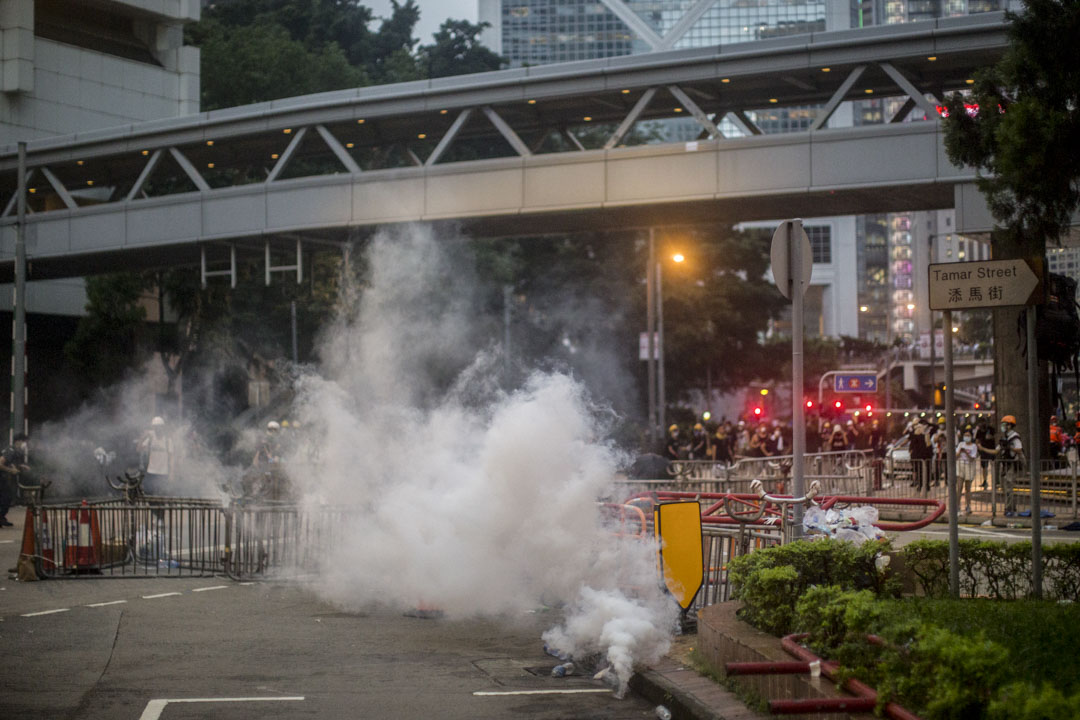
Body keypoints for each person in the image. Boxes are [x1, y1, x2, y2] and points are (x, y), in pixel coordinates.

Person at [136, 417, 173, 496]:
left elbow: (171, 458)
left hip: (163, 472)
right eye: (155, 427)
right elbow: (138, 449)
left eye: (159, 427)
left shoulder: (167, 440)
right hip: (151, 471)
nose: (157, 429)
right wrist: (142, 437)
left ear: (163, 428)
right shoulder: (151, 439)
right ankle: (153, 508)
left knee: (162, 495)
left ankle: (159, 508)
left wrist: (171, 473)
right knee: (149, 493)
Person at [0, 433, 31, 528]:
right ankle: (1, 517)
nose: (25, 444)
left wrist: (21, 466)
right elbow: (0, 463)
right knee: (7, 497)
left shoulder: (14, 451)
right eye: (24, 442)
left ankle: (1, 517)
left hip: (2, 478)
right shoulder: (11, 451)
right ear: (18, 441)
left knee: (5, 497)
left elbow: (11, 463)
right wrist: (11, 470)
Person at [957, 429, 979, 514]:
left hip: (969, 466)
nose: (966, 437)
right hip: (960, 465)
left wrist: (965, 452)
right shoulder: (961, 444)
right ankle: (957, 506)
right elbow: (955, 455)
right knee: (959, 487)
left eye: (968, 435)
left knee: (968, 488)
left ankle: (968, 506)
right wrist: (960, 451)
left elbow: (972, 458)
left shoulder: (974, 446)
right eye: (965, 435)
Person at [975, 420, 996, 490]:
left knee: (993, 465)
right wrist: (978, 447)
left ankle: (995, 481)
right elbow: (977, 440)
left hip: (992, 450)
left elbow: (996, 437)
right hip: (983, 451)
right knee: (984, 467)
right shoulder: (979, 431)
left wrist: (991, 437)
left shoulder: (991, 429)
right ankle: (985, 481)